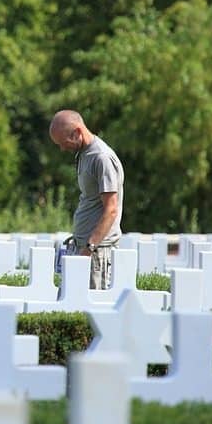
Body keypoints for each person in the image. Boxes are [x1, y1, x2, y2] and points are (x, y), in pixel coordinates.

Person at [49, 109, 124, 290]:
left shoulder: (101, 158)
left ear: (77, 132)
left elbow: (111, 209)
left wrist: (88, 249)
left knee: (89, 313)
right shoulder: (84, 154)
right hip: (84, 248)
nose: (62, 148)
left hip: (96, 253)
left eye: (63, 142)